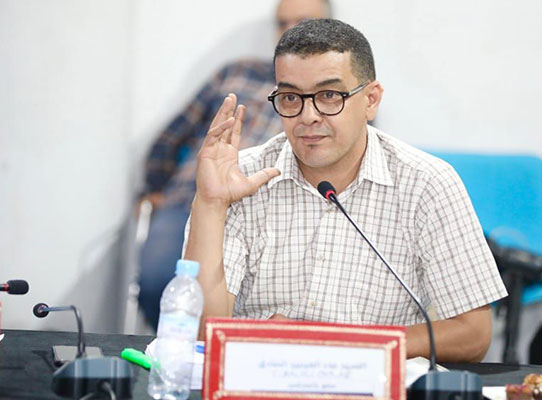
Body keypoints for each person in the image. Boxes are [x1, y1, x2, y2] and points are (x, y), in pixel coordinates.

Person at [184, 19, 508, 362]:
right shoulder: (241, 178)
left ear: (371, 100)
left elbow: (473, 335)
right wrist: (211, 203)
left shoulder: (427, 183)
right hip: (257, 373)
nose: (308, 116)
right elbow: (202, 332)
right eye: (291, 98)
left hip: (373, 378)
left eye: (329, 96)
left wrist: (335, 341)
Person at [137, 0, 332, 329]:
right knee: (158, 284)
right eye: (282, 23)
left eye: (302, 22)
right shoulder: (237, 73)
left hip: (270, 213)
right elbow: (171, 136)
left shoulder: (337, 95)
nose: (290, 31)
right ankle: (176, 352)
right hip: (192, 199)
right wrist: (153, 188)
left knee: (261, 302)